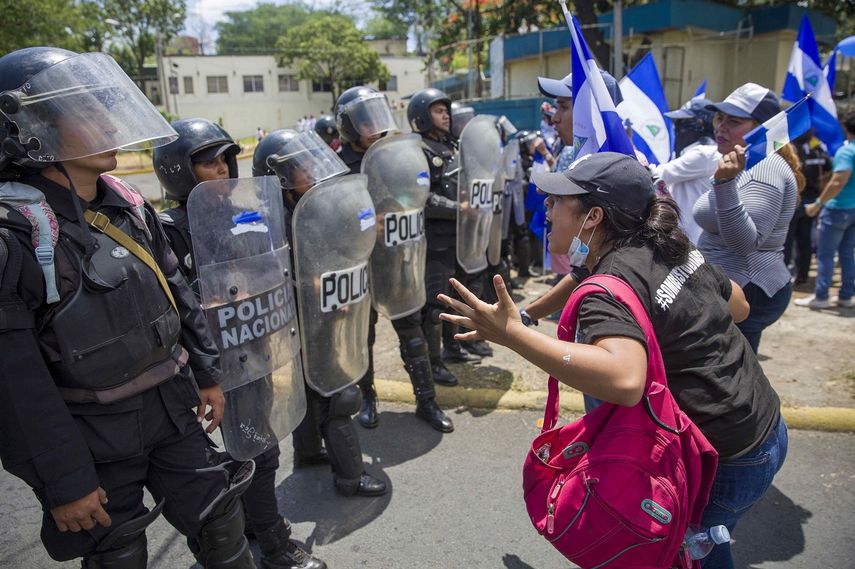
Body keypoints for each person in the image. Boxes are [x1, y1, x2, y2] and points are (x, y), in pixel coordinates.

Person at [440, 151, 787, 569]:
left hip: (723, 458)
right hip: (765, 427)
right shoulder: (667, 244)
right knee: (704, 540)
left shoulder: (611, 285)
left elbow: (625, 380)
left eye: (559, 199)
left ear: (594, 217)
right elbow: (740, 307)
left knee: (690, 554)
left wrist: (514, 334)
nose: (546, 207)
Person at [0, 47, 257, 568]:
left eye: (103, 105)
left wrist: (207, 374)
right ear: (32, 127)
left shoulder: (128, 203)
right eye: (85, 110)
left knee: (222, 522)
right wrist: (65, 481)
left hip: (172, 411)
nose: (105, 120)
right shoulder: (16, 235)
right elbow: (14, 380)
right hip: (91, 436)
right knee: (118, 553)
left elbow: (177, 291)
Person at [153, 118, 327, 569]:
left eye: (226, 159)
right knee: (227, 467)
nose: (222, 169)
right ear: (179, 169)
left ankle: (262, 532)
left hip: (251, 353)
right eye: (208, 162)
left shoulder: (242, 214)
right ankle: (269, 545)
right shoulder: (166, 230)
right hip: (206, 371)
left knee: (262, 450)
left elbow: (268, 270)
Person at [253, 129, 388, 497]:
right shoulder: (267, 219)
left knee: (314, 389)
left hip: (322, 313)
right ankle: (350, 476)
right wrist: (310, 285)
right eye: (300, 165)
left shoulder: (312, 204)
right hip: (299, 317)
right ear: (278, 175)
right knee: (337, 393)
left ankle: (309, 453)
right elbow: (265, 274)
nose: (311, 168)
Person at [335, 86, 453, 432]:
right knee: (363, 337)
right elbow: (329, 220)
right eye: (364, 119)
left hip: (398, 258)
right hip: (360, 262)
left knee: (411, 329)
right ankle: (368, 398)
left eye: (376, 116)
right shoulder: (338, 166)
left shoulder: (396, 154)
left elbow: (414, 195)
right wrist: (365, 226)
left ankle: (427, 401)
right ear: (349, 125)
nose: (374, 125)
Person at [694, 83, 804, 352]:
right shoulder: (745, 163)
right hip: (736, 287)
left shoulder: (764, 169)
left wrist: (723, 184)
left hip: (748, 287)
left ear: (764, 129)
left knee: (730, 383)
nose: (721, 127)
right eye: (720, 118)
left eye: (734, 121)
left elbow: (744, 243)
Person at [519, 71, 625, 325]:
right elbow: (581, 271)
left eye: (564, 107)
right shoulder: (574, 157)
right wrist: (527, 315)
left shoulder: (623, 174)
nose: (554, 118)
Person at [406, 87, 484, 386]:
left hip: (458, 238)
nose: (446, 115)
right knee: (435, 305)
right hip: (435, 240)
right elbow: (420, 198)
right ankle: (433, 362)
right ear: (422, 117)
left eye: (446, 110)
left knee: (455, 299)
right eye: (439, 111)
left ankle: (453, 347)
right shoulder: (419, 151)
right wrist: (459, 208)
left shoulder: (450, 147)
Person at [796, 111, 855, 309]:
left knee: (825, 254)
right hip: (852, 209)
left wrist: (818, 204)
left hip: (838, 209)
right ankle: (846, 295)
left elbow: (838, 181)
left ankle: (821, 296)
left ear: (845, 127)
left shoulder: (846, 152)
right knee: (847, 253)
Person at [652, 98, 720, 244]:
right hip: (684, 235)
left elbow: (656, 175)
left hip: (691, 239)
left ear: (701, 124)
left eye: (683, 123)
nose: (678, 129)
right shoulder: (694, 152)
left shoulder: (704, 154)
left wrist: (629, 149)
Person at [786, 131, 832, 285]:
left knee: (788, 240)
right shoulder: (817, 148)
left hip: (796, 199)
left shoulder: (792, 149)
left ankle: (785, 276)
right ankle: (802, 276)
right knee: (804, 240)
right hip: (812, 199)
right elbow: (828, 167)